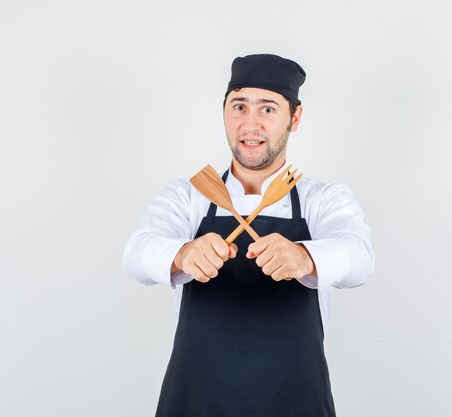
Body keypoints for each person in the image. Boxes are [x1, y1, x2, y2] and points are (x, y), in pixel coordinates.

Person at [122, 53, 375, 417]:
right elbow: (136, 253)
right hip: (196, 400)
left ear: (295, 117)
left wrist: (304, 257)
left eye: (268, 109)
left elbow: (360, 258)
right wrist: (183, 254)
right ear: (224, 112)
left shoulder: (323, 198)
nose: (250, 124)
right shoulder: (189, 195)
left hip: (295, 400)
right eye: (239, 106)